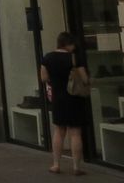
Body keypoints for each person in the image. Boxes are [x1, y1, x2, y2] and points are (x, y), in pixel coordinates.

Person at [38, 32, 89, 176]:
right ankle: (76, 166)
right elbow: (84, 79)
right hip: (74, 98)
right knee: (75, 133)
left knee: (59, 132)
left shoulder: (47, 58)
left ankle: (56, 164)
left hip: (58, 98)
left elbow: (44, 78)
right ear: (69, 44)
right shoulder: (73, 58)